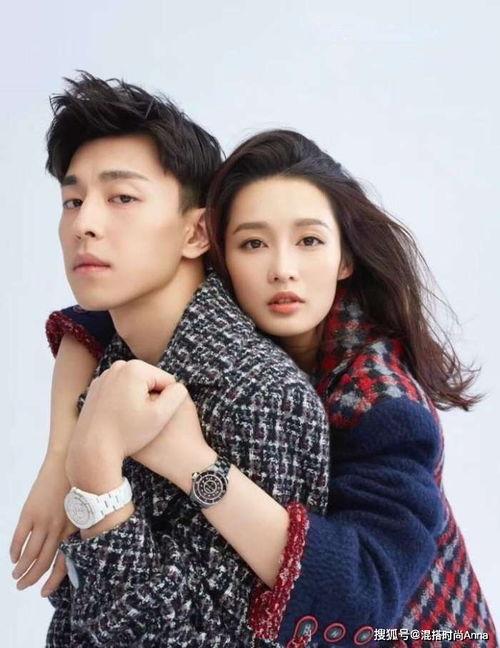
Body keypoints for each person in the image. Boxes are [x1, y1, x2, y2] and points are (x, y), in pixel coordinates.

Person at [12, 117, 497, 646]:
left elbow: (360, 598)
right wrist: (61, 457)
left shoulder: (383, 404)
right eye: (252, 244)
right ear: (213, 249)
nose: (282, 269)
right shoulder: (216, 319)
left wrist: (189, 462)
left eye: (309, 240)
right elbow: (97, 317)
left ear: (345, 257)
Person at [9, 74, 333, 647]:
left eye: (122, 198)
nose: (84, 223)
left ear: (197, 232)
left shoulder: (256, 394)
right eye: (72, 201)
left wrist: (96, 482)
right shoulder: (110, 362)